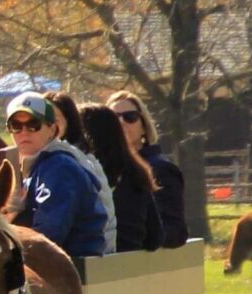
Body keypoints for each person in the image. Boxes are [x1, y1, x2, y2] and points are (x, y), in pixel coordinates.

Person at [0, 92, 107, 259]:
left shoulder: (59, 168)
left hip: (72, 271)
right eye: (16, 125)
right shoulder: (35, 167)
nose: (24, 132)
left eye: (33, 124)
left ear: (53, 129)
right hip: (53, 267)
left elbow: (48, 235)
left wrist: (6, 226)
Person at [108, 89, 188, 246]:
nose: (121, 122)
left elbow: (176, 229)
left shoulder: (162, 169)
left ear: (144, 126)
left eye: (130, 117)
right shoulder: (100, 169)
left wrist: (138, 236)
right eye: (113, 118)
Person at [81, 102, 163, 253]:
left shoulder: (86, 174)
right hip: (132, 264)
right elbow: (155, 237)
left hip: (98, 263)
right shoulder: (137, 172)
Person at [46, 88, 118, 250]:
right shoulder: (49, 158)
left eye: (54, 119)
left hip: (86, 259)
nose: (47, 125)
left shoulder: (69, 161)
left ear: (69, 122)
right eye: (41, 119)